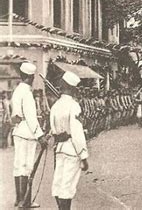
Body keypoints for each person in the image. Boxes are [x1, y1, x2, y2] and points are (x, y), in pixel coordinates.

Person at [50, 71, 89, 210]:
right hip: (72, 150)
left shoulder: (55, 105)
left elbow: (53, 130)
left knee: (58, 185)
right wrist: (83, 156)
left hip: (59, 149)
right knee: (67, 187)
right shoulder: (74, 106)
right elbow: (77, 133)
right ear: (73, 88)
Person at [11, 62, 47, 208]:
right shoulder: (27, 93)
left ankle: (19, 199)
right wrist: (40, 135)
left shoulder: (17, 90)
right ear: (31, 77)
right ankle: (25, 201)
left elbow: (15, 115)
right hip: (27, 132)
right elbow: (31, 117)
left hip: (19, 130)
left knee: (19, 165)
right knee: (27, 167)